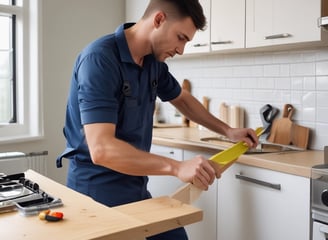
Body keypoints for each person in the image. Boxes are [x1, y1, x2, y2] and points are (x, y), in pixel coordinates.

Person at [57, 0, 259, 239]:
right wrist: (177, 167)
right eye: (181, 37)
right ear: (159, 19)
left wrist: (228, 130)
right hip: (95, 192)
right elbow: (102, 149)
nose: (181, 50)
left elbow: (182, 99)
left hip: (135, 187)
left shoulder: (153, 63)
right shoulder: (99, 59)